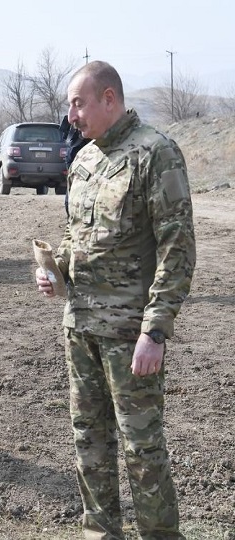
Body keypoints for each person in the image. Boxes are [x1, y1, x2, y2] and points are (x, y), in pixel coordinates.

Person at [35, 61, 196, 539]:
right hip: (80, 327)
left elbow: (178, 247)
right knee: (90, 441)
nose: (71, 115)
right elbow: (76, 233)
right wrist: (55, 267)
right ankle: (100, 531)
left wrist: (155, 330)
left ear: (109, 98)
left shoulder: (156, 153)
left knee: (141, 448)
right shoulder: (84, 160)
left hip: (130, 334)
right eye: (69, 105)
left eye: (78, 103)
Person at [58, 115, 91, 217]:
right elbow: (64, 135)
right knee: (75, 187)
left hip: (79, 153)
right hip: (75, 154)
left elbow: (64, 136)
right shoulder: (72, 117)